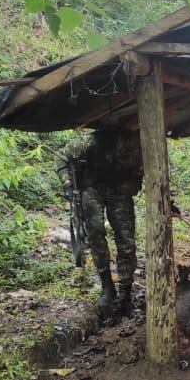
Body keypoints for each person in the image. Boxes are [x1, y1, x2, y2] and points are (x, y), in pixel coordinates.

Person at [59, 128, 143, 321]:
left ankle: (125, 296)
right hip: (93, 189)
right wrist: (67, 183)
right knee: (95, 235)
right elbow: (62, 159)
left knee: (127, 242)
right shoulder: (88, 140)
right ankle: (107, 287)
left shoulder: (133, 141)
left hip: (120, 190)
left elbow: (155, 168)